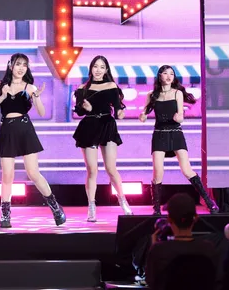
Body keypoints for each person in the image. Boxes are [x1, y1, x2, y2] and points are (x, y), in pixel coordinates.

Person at [0, 53, 66, 228]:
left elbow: (42, 113)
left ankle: (55, 207)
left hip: (25, 129)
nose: (21, 68)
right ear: (10, 65)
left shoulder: (30, 87)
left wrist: (36, 97)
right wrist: (2, 96)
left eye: (24, 65)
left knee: (33, 173)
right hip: (7, 130)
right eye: (18, 64)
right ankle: (5, 214)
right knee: (7, 175)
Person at [139, 65, 218, 215]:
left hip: (176, 133)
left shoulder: (177, 93)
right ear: (159, 76)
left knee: (187, 170)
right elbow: (144, 114)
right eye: (165, 73)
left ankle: (209, 202)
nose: (169, 76)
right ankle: (156, 209)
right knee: (158, 173)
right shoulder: (151, 94)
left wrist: (179, 117)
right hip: (159, 134)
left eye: (171, 74)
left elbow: (181, 114)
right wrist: (142, 115)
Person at [73, 56, 132, 222]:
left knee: (111, 168)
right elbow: (79, 111)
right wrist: (86, 108)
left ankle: (123, 200)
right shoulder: (82, 89)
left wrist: (121, 113)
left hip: (107, 125)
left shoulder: (111, 86)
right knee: (92, 170)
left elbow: (118, 109)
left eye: (101, 67)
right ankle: (91, 206)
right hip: (89, 127)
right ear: (91, 69)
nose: (98, 70)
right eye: (95, 66)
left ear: (106, 70)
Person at [145, 193, 218, 290]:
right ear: (196, 218)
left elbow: (151, 281)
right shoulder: (208, 248)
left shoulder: (160, 250)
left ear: (169, 219)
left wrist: (153, 247)